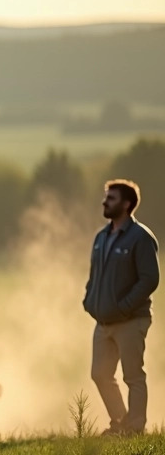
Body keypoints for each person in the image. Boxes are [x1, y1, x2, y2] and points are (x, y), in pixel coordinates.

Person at [83, 178, 159, 436]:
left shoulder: (141, 237)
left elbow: (150, 279)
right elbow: (94, 275)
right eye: (106, 196)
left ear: (127, 204)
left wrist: (125, 306)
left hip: (131, 321)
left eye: (111, 198)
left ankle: (135, 428)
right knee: (100, 375)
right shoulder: (101, 237)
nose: (105, 201)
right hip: (103, 323)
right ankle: (120, 423)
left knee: (133, 376)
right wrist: (89, 300)